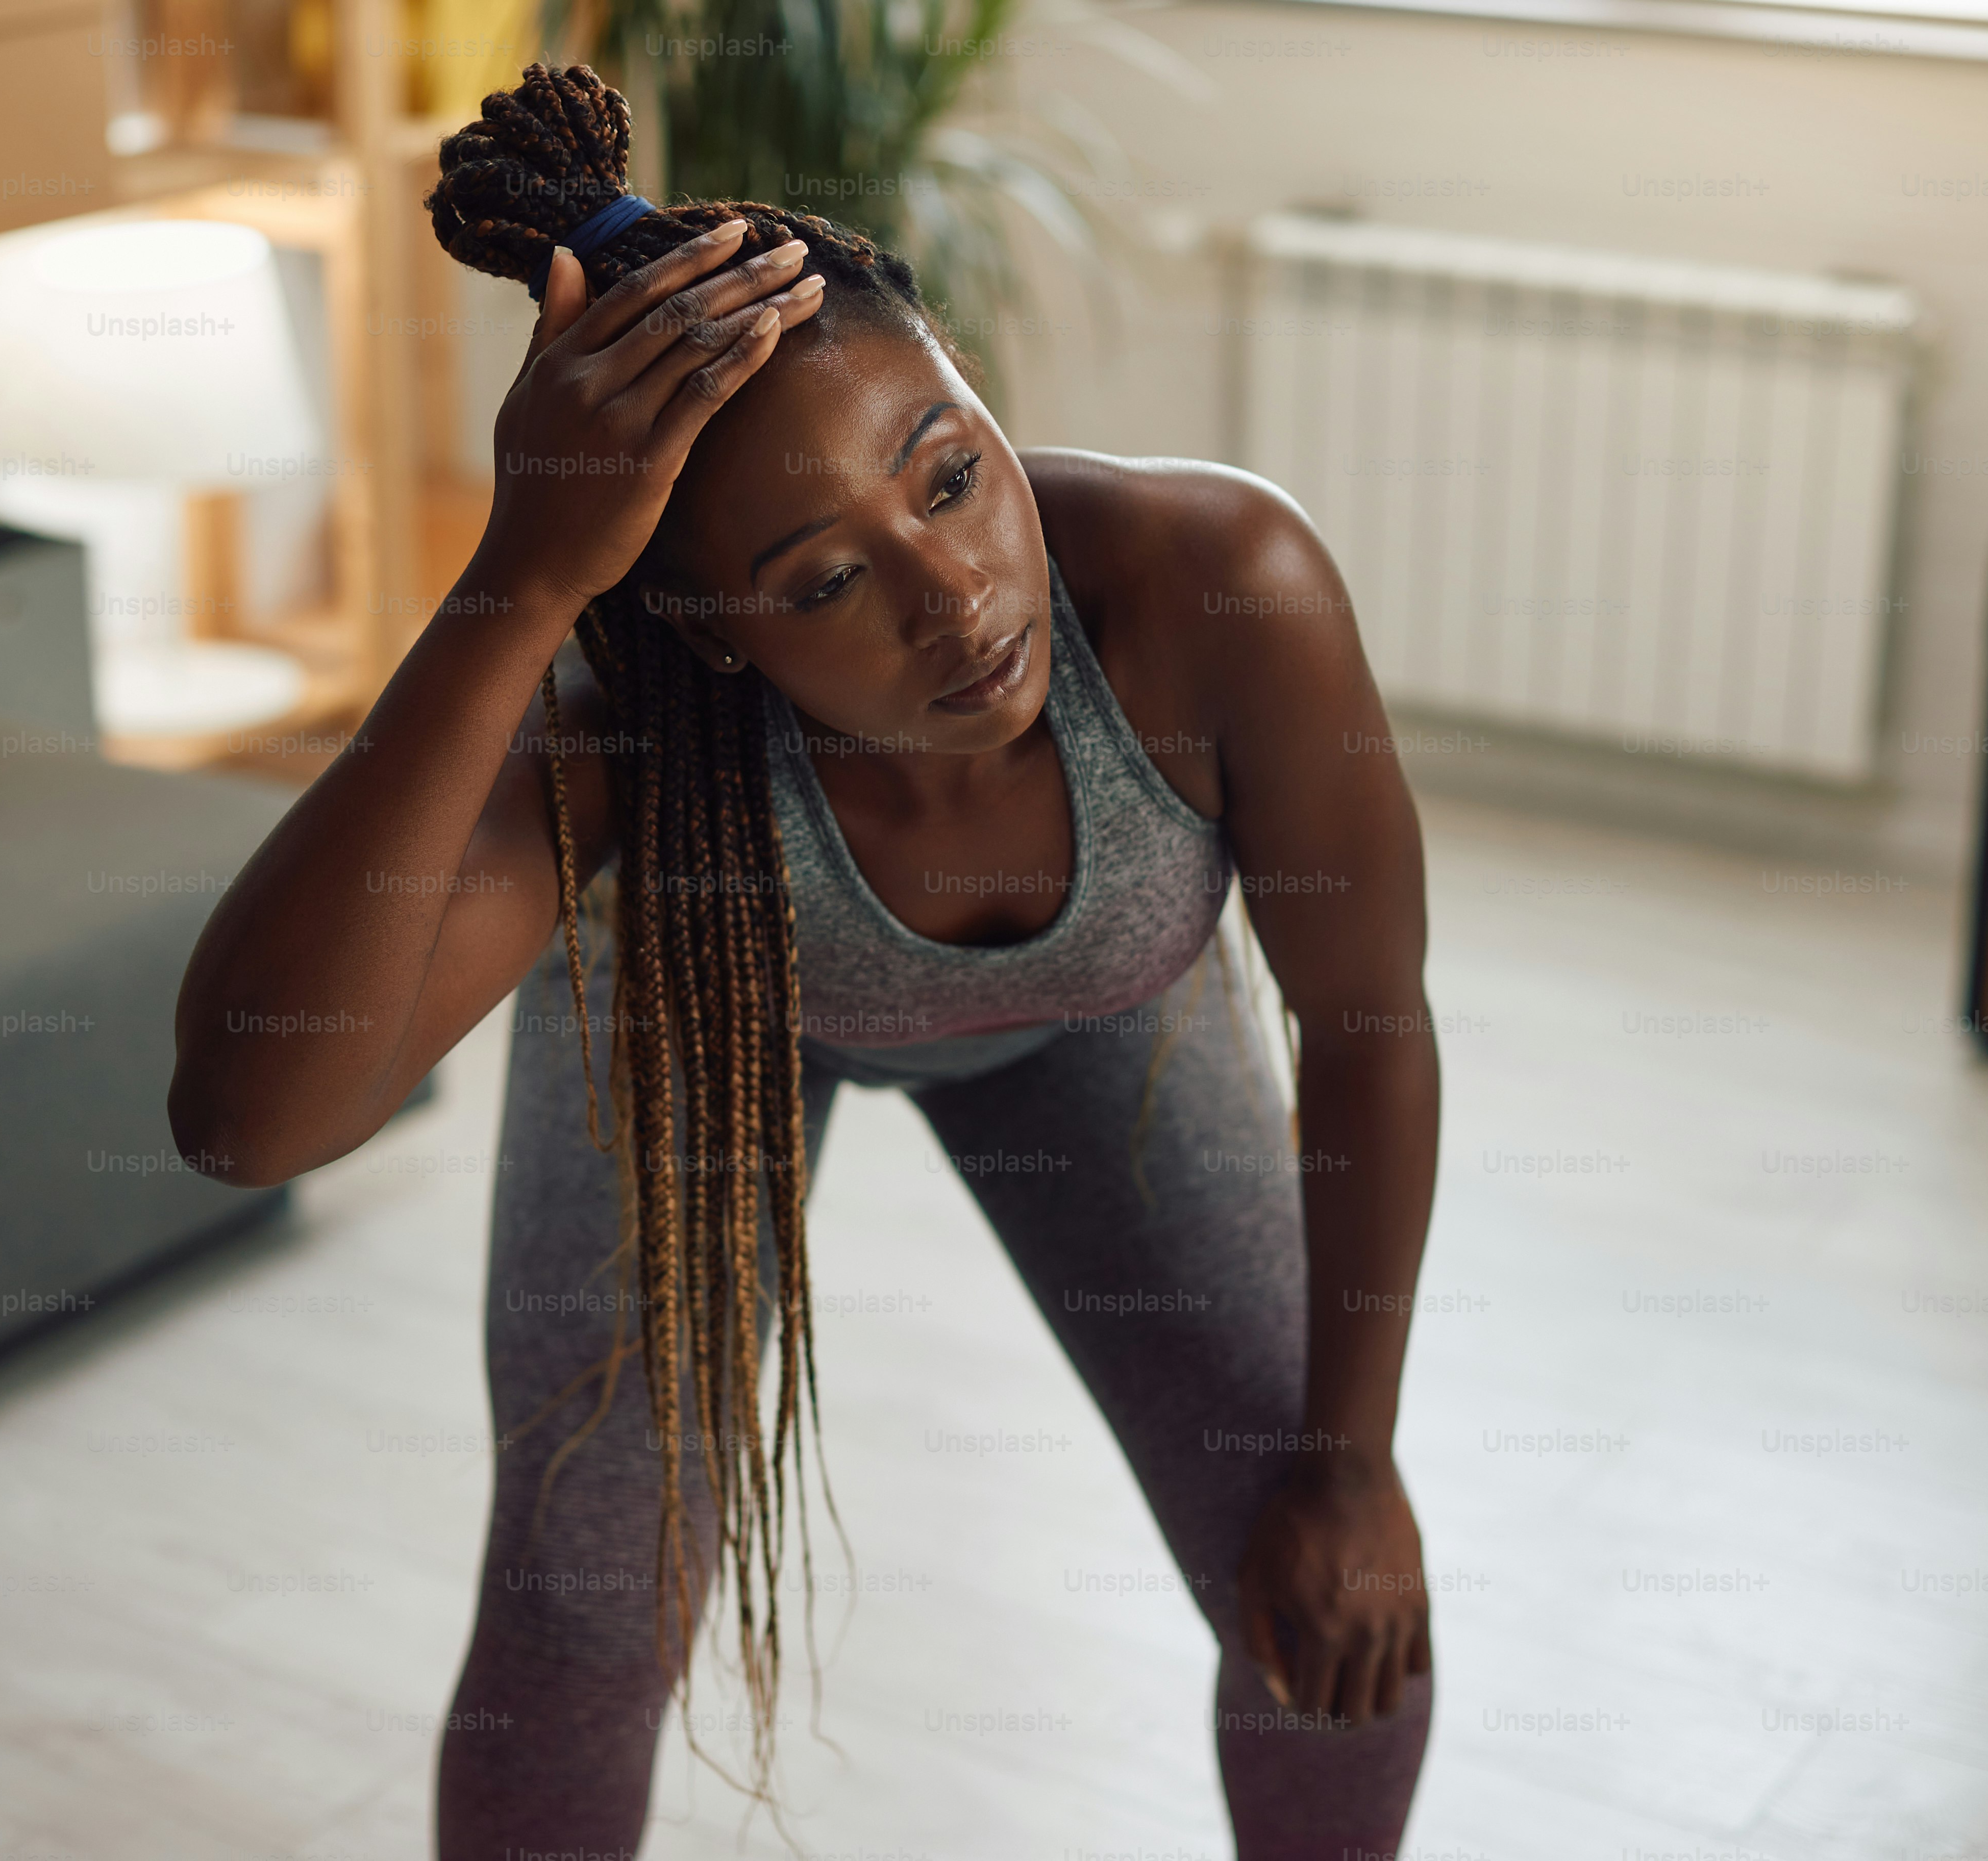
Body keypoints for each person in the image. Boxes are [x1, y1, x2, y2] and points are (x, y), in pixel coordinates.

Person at [169, 61, 1440, 1861]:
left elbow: (1373, 1029)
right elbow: (243, 1117)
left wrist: (1361, 1464)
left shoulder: (1219, 587)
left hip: (1106, 1026)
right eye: (825, 584)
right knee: (577, 1620)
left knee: (1332, 1587)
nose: (957, 595)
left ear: (981, 399)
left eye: (948, 474)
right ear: (698, 622)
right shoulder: (627, 740)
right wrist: (514, 590)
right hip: (707, 1026)